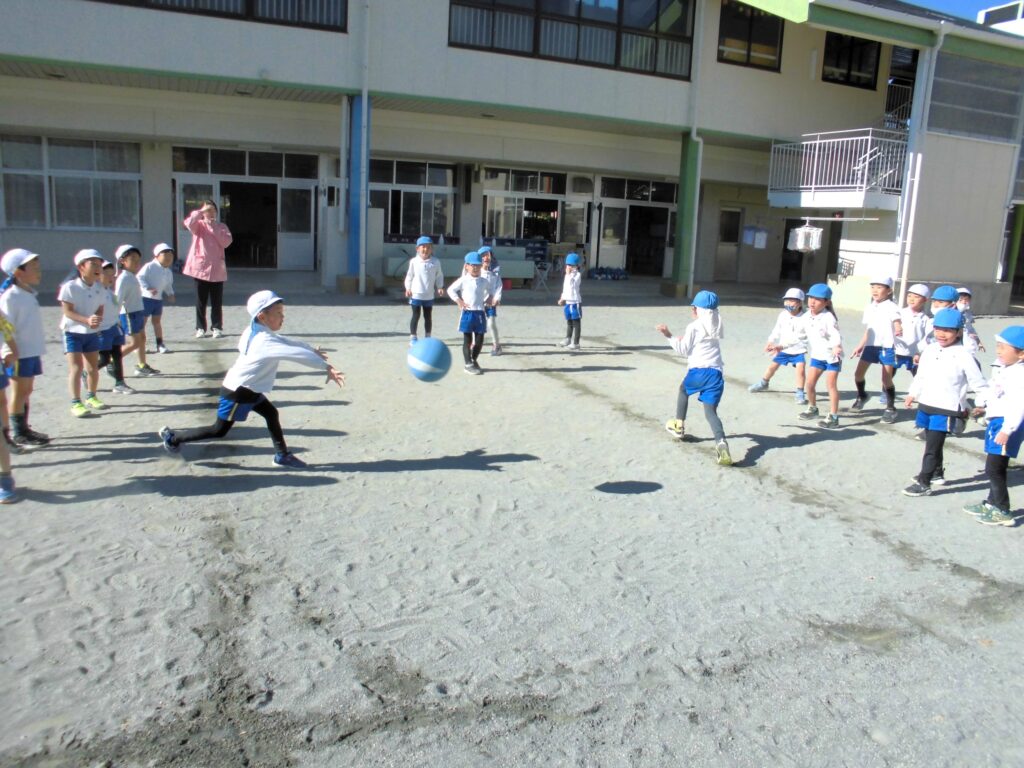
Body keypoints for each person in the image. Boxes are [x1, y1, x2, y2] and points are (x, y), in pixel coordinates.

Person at [159, 290, 345, 467]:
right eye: (278, 312)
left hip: (249, 388)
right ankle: (173, 439)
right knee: (219, 430)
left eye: (282, 311)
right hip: (239, 392)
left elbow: (286, 343)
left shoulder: (256, 330)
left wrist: (311, 349)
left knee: (271, 414)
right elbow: (293, 353)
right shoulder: (263, 341)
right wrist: (325, 367)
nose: (283, 316)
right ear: (262, 317)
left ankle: (282, 455)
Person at [902, 308, 988, 497]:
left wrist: (982, 404)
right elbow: (921, 375)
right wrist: (912, 393)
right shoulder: (930, 350)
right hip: (926, 404)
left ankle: (924, 483)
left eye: (948, 330)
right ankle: (936, 473)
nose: (941, 334)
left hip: (947, 408)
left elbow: (978, 383)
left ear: (958, 332)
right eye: (938, 329)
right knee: (934, 443)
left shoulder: (964, 355)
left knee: (932, 446)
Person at [657, 290, 732, 466]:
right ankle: (721, 443)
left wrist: (668, 335)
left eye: (694, 307)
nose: (692, 310)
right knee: (710, 412)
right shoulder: (717, 325)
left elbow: (683, 350)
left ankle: (678, 425)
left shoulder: (694, 326)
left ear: (699, 310)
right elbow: (699, 342)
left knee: (683, 390)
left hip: (699, 371)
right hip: (716, 373)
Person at [963, 326, 1024, 526]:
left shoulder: (1019, 375)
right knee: (995, 465)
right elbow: (993, 390)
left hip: (1007, 425)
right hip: (997, 421)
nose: (998, 351)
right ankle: (991, 503)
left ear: (1021, 354)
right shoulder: (1005, 368)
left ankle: (1002, 510)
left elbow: (1019, 406)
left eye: (1004, 348)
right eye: (998, 346)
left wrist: (1007, 430)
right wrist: (983, 406)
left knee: (994, 468)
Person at [0, 248, 48, 448]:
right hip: (18, 353)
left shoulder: (28, 293)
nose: (39, 271)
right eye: (33, 268)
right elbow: (4, 325)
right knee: (19, 392)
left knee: (27, 390)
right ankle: (17, 433)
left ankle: (24, 428)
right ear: (18, 272)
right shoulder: (10, 297)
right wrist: (6, 350)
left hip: (31, 351)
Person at [59, 249, 107, 418]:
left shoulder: (99, 288)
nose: (98, 267)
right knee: (76, 368)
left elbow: (101, 307)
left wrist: (97, 319)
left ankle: (92, 396)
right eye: (93, 264)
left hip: (91, 333)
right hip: (72, 332)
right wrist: (87, 320)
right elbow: (67, 312)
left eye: (99, 264)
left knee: (92, 368)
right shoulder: (70, 287)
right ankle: (75, 402)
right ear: (81, 267)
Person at [849, 276, 903, 423]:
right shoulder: (870, 306)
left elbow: (897, 321)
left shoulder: (892, 307)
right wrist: (860, 346)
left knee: (886, 379)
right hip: (870, 346)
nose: (875, 290)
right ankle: (862, 395)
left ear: (889, 290)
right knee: (858, 374)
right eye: (873, 287)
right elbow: (869, 330)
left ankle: (890, 408)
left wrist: (898, 329)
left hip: (886, 347)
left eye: (879, 287)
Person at [748, 287, 808, 404]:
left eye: (792, 301)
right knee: (772, 367)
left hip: (798, 349)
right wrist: (770, 341)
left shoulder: (805, 318)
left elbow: (798, 338)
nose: (788, 303)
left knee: (800, 370)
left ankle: (800, 392)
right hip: (782, 349)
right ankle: (763, 383)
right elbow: (777, 330)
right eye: (786, 300)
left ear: (800, 303)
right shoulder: (783, 315)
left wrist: (781, 346)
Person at [183, 200, 232, 339]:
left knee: (217, 301)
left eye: (212, 210)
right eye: (207, 210)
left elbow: (226, 242)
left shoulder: (221, 226)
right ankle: (200, 328)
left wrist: (214, 227)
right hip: (201, 268)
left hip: (217, 269)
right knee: (200, 301)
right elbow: (188, 223)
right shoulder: (198, 225)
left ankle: (216, 327)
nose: (210, 213)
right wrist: (200, 211)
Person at [799, 283, 843, 429]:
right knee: (809, 384)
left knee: (830, 385)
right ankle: (813, 408)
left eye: (817, 299)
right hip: (817, 356)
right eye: (810, 297)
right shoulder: (805, 317)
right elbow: (799, 336)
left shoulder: (828, 317)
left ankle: (833, 417)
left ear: (826, 302)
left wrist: (836, 346)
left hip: (832, 356)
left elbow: (835, 334)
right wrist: (781, 345)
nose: (812, 301)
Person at [447, 251, 497, 375]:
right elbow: (450, 290)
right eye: (472, 265)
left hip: (480, 313)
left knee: (479, 340)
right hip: (468, 313)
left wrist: (490, 296)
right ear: (466, 266)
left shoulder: (483, 280)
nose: (475, 268)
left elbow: (491, 288)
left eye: (477, 265)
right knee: (467, 340)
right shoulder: (463, 280)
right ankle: (467, 363)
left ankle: (473, 360)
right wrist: (458, 300)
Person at [115, 244, 159, 377]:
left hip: (137, 312)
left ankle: (141, 366)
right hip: (128, 314)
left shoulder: (132, 276)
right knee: (135, 342)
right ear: (122, 261)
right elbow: (118, 298)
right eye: (132, 259)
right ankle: (111, 361)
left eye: (138, 259)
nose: (136, 262)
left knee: (142, 339)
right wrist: (114, 317)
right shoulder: (123, 278)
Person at [98, 261, 134, 395]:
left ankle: (120, 383)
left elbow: (115, 309)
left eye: (113, 275)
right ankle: (87, 373)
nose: (111, 278)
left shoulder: (109, 291)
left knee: (117, 355)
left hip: (114, 328)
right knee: (104, 359)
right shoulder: (96, 291)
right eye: (107, 274)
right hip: (102, 330)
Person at [404, 235, 444, 346]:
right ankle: (413, 336)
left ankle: (428, 336)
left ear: (432, 249)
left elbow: (439, 275)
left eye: (428, 247)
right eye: (423, 247)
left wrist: (440, 287)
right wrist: (408, 288)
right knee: (416, 315)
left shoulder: (435, 262)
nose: (425, 250)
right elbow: (409, 276)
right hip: (416, 294)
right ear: (417, 249)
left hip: (429, 295)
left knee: (428, 316)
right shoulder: (414, 262)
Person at [138, 243, 176, 354]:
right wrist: (147, 288)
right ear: (157, 255)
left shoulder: (168, 272)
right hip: (145, 299)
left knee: (157, 322)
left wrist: (170, 293)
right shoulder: (149, 266)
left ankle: (160, 344)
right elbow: (139, 277)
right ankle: (140, 345)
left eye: (171, 255)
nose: (169, 258)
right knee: (142, 323)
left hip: (158, 300)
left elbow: (168, 285)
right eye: (165, 254)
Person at [893, 283, 930, 378]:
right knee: (888, 375)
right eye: (909, 296)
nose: (911, 299)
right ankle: (886, 392)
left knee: (918, 376)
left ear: (925, 300)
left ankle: (920, 392)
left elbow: (926, 337)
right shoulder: (900, 313)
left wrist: (919, 353)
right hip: (897, 351)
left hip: (914, 354)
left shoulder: (925, 319)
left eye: (916, 297)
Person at [480, 246, 503, 356]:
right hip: (477, 303)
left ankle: (496, 345)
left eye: (488, 255)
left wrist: (496, 298)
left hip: (490, 304)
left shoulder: (495, 272)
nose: (486, 258)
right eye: (483, 256)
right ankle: (475, 344)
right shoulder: (475, 271)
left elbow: (498, 286)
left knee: (491, 323)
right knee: (477, 324)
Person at [558, 252, 583, 350]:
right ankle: (568, 338)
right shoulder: (567, 276)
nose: (568, 267)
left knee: (576, 322)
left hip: (575, 302)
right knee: (569, 321)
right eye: (567, 265)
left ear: (576, 266)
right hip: (568, 302)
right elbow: (565, 288)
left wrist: (569, 275)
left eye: (571, 265)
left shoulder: (577, 275)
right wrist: (562, 298)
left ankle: (576, 343)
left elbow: (572, 285)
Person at [956, 287, 984, 356]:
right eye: (960, 300)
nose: (964, 302)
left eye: (966, 300)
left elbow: (970, 329)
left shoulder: (968, 314)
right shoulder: (950, 313)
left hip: (967, 344)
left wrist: (978, 342)